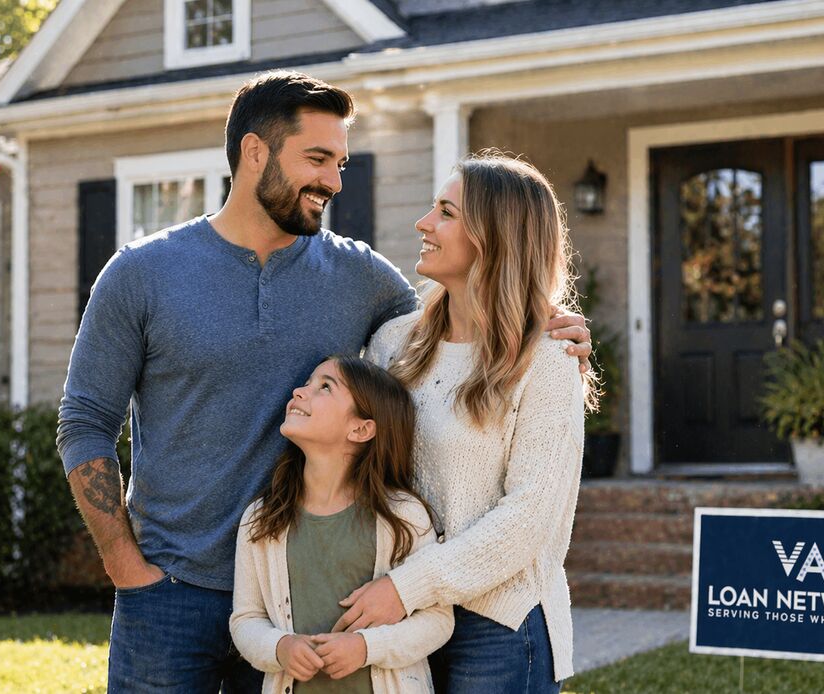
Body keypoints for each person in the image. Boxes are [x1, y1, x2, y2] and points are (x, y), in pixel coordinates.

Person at [56, 72, 592, 692]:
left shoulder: (361, 278)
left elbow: (467, 324)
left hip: (314, 594)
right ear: (254, 152)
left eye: (340, 162)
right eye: (317, 159)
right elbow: (84, 422)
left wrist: (550, 326)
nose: (334, 182)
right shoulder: (142, 273)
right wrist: (127, 568)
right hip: (174, 594)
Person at [334, 152, 591, 692]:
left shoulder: (547, 361)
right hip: (402, 615)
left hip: (498, 623)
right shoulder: (393, 345)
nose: (423, 224)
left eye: (446, 212)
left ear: (495, 237)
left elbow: (525, 521)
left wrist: (407, 588)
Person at [230, 355, 453, 693]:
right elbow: (245, 619)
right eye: (307, 383)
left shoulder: (403, 517)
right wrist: (280, 648)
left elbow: (437, 620)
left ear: (361, 428)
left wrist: (366, 648)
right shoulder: (262, 520)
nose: (299, 392)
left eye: (324, 387)